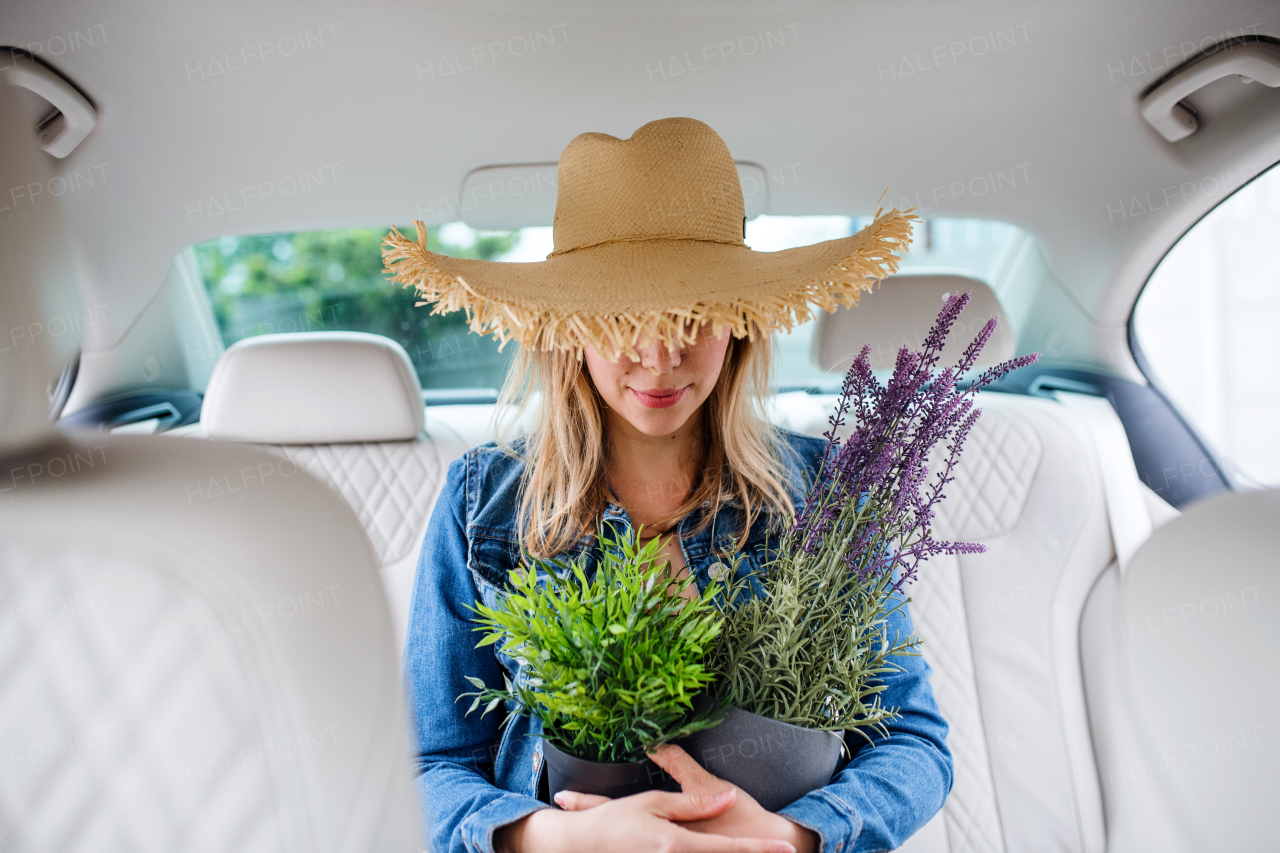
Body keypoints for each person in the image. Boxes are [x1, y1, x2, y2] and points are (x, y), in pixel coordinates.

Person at [389, 117, 952, 853]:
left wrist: (795, 835)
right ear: (570, 326)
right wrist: (556, 838)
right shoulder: (482, 504)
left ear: (741, 322)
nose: (659, 357)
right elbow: (431, 766)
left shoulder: (825, 492)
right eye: (624, 318)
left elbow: (913, 741)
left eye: (694, 315)